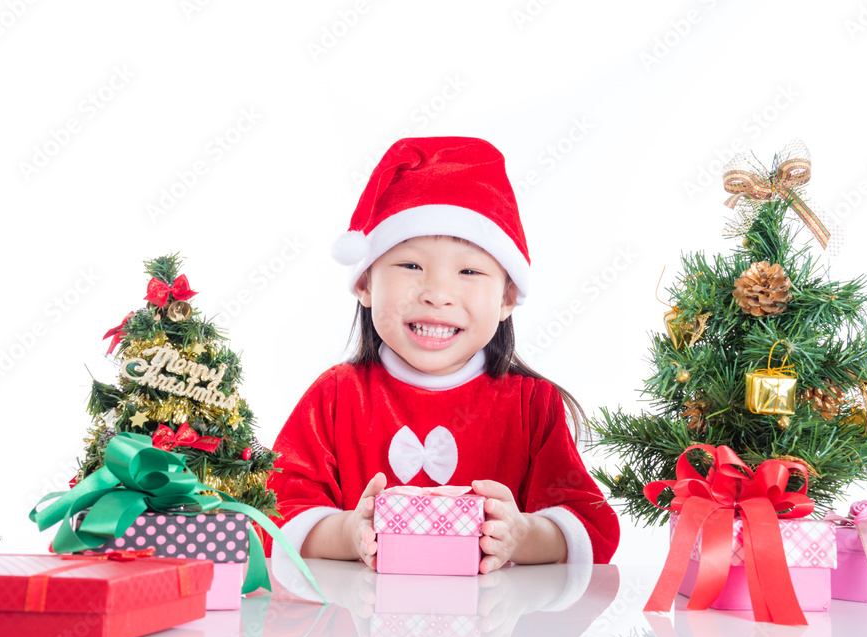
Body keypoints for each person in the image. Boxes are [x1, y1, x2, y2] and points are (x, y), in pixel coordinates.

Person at [264, 136, 619, 578]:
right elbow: (271, 515)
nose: (436, 295)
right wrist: (346, 532)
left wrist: (522, 535)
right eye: (411, 266)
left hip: (499, 633)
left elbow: (593, 529)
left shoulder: (533, 406)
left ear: (508, 296)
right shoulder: (336, 397)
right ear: (365, 284)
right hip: (357, 633)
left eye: (469, 271)